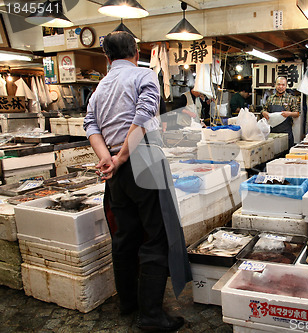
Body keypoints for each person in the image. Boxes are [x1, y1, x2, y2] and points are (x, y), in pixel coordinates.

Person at [83, 31, 191, 331]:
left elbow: (90, 124)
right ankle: (152, 316)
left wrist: (109, 158)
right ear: (137, 52)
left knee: (125, 237)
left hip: (116, 171)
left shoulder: (100, 87)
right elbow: (143, 118)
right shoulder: (144, 77)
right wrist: (120, 158)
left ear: (107, 57)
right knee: (156, 238)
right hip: (141, 158)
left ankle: (128, 304)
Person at [261, 76, 299, 149]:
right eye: (278, 84)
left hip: (286, 132)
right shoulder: (270, 98)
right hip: (272, 132)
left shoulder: (291, 98)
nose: (280, 87)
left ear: (286, 86)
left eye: (283, 85)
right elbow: (264, 110)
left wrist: (289, 114)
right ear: (275, 85)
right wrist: (264, 112)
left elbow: (297, 113)